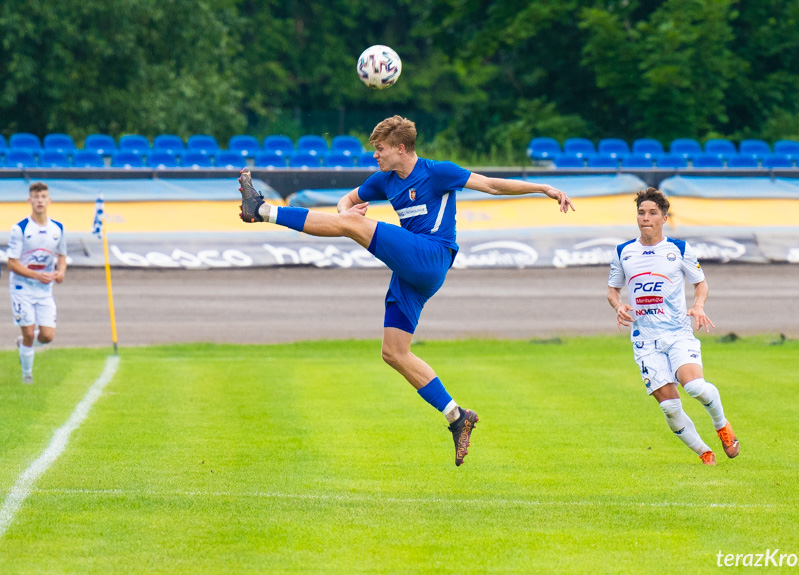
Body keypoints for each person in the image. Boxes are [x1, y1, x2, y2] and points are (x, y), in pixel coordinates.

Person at [238, 115, 574, 466]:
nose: (375, 156)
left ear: (401, 148)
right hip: (409, 269)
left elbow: (490, 185)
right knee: (394, 353)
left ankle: (262, 210)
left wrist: (543, 188)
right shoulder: (384, 180)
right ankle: (457, 416)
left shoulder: (437, 171)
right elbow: (346, 202)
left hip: (431, 255)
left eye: (380, 149)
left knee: (352, 228)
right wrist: (348, 212)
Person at [606, 187, 739, 465]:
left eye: (652, 213)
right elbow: (612, 290)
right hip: (644, 339)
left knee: (695, 387)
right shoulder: (623, 252)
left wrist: (699, 306)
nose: (645, 217)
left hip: (678, 333)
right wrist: (619, 307)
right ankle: (705, 452)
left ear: (664, 218)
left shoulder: (679, 249)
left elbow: (700, 283)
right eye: (641, 212)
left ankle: (722, 425)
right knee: (669, 406)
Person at [7, 182, 67, 384]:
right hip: (21, 288)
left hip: (44, 289)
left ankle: (24, 344)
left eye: (43, 197)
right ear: (29, 200)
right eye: (36, 197)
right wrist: (36, 276)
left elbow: (62, 256)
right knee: (29, 333)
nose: (39, 200)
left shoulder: (57, 228)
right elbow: (12, 263)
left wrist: (60, 272)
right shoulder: (20, 229)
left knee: (48, 336)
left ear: (49, 200)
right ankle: (27, 375)